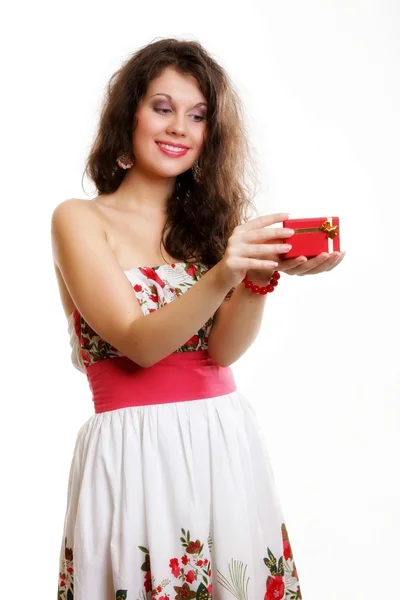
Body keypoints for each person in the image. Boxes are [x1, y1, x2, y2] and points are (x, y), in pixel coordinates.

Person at [51, 38, 344, 600]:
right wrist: (226, 271)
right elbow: (140, 344)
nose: (179, 127)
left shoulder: (209, 225)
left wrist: (257, 277)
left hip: (223, 437)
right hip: (133, 449)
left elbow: (223, 354)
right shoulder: (79, 219)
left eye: (198, 115)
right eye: (163, 107)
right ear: (128, 117)